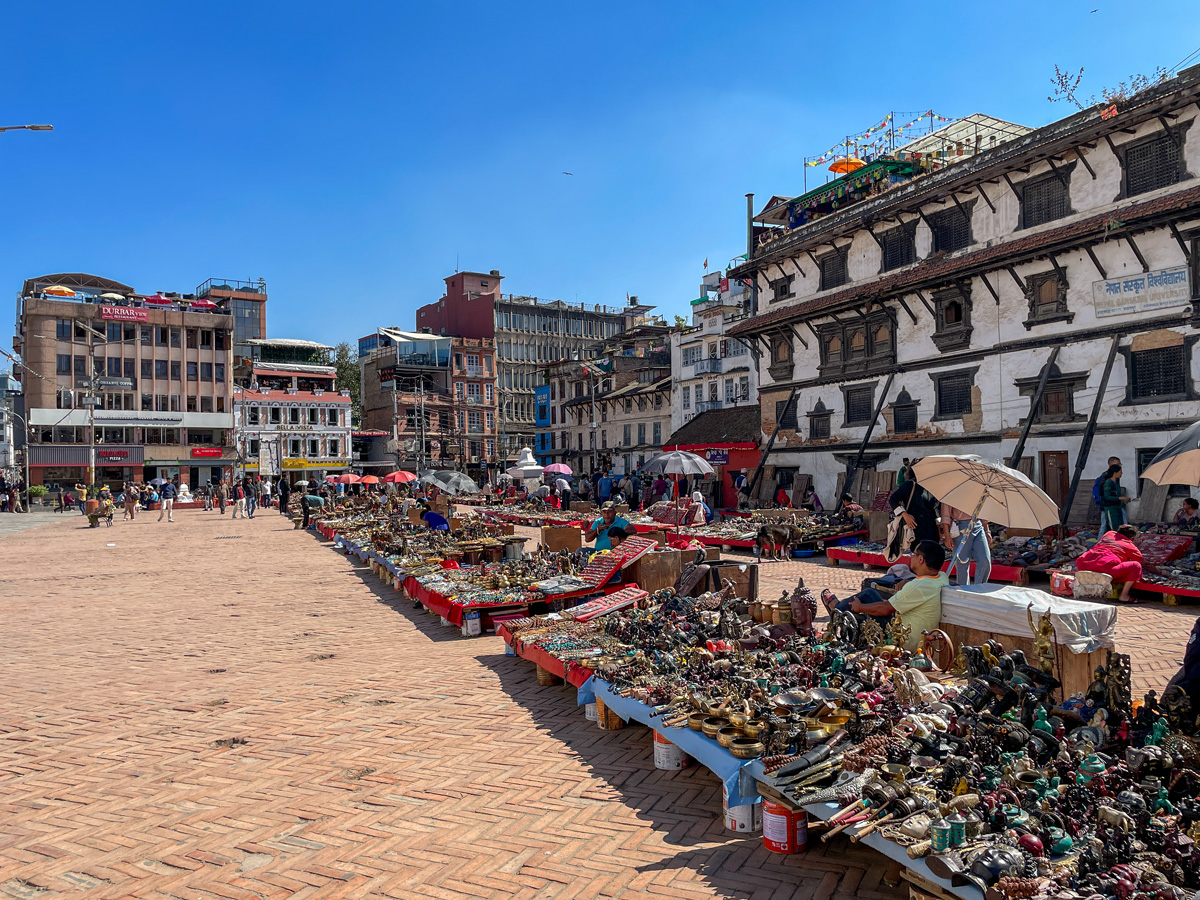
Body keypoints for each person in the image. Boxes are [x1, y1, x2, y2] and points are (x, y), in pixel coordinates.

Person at [822, 541, 948, 650]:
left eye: (913, 554)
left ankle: (837, 608)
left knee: (868, 595)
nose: (911, 557)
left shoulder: (917, 587)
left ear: (921, 559)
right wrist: (907, 581)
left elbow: (885, 608)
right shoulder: (941, 577)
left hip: (900, 638)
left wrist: (860, 607)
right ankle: (840, 609)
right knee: (869, 598)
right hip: (913, 632)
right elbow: (921, 583)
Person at [1077, 524, 1143, 603]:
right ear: (1132, 538)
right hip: (1104, 567)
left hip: (1085, 564)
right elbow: (1142, 562)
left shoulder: (1109, 534)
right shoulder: (1129, 545)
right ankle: (1124, 596)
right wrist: (1159, 571)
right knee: (1136, 565)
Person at [941, 501, 991, 586]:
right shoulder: (954, 489)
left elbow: (983, 508)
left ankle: (980, 587)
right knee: (962, 562)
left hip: (977, 524)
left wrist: (987, 530)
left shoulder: (979, 488)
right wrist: (947, 535)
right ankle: (963, 589)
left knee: (985, 560)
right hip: (960, 525)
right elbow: (945, 514)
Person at [889, 470, 939, 545]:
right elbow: (893, 500)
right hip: (914, 528)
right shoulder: (909, 485)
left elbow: (936, 508)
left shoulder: (932, 487)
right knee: (917, 552)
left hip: (931, 529)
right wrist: (904, 514)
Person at [1097, 463, 1125, 534]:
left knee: (1119, 527)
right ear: (1115, 473)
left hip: (1117, 508)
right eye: (1120, 472)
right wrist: (1120, 498)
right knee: (1113, 528)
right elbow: (1107, 496)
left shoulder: (1116, 482)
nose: (1121, 474)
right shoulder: (1108, 482)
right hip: (1110, 508)